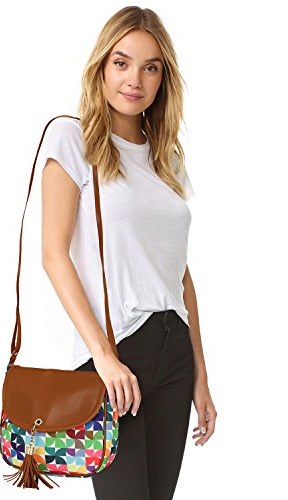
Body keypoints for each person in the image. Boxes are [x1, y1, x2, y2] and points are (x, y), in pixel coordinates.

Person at [40, 6, 217, 500]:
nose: (134, 79)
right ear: (101, 66)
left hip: (175, 352)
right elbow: (53, 255)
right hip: (116, 353)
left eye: (150, 67)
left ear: (163, 78)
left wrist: (201, 375)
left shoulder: (167, 159)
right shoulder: (71, 139)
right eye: (121, 62)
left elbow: (180, 276)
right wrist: (103, 357)